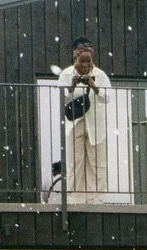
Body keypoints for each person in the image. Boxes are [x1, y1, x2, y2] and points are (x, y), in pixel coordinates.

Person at [57, 37, 112, 203]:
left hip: (96, 123)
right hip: (74, 122)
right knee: (75, 160)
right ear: (75, 55)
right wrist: (72, 87)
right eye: (82, 60)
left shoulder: (100, 75)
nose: (85, 65)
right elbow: (61, 98)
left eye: (88, 60)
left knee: (97, 161)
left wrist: (95, 88)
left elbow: (107, 97)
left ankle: (96, 197)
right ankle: (76, 197)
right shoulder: (66, 74)